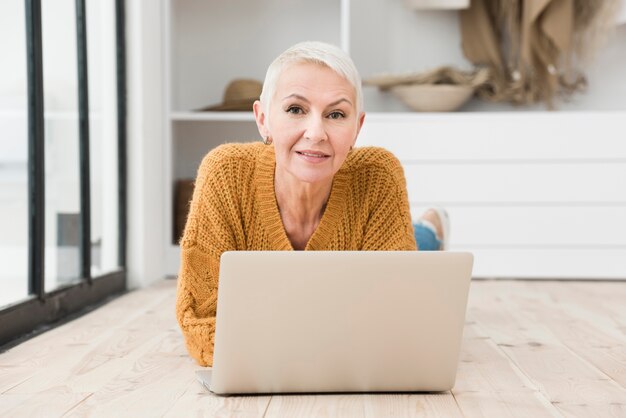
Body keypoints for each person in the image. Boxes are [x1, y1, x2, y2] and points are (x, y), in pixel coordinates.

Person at [176, 41, 449, 367]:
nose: (315, 132)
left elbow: (394, 320)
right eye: (295, 109)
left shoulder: (379, 174)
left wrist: (270, 345)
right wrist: (317, 350)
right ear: (263, 120)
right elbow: (199, 320)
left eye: (336, 114)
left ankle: (430, 228)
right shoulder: (224, 173)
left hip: (388, 242)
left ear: (357, 128)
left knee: (420, 247)